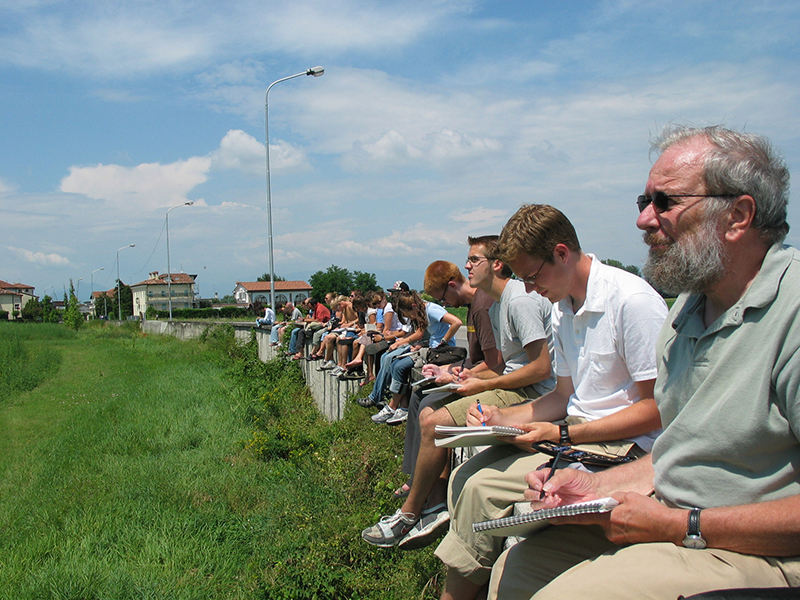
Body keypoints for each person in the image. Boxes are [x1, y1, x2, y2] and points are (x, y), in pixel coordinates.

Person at [487, 125, 800, 600]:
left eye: (666, 202)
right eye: (643, 202)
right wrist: (593, 487)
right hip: (676, 516)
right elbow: (676, 454)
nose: (643, 220)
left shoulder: (790, 313)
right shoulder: (688, 314)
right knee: (516, 569)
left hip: (760, 554)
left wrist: (681, 524)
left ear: (738, 215)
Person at [435, 205, 667, 600]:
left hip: (625, 445)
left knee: (482, 490)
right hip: (580, 431)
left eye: (531, 276)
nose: (528, 289)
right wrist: (501, 416)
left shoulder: (632, 302)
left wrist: (563, 432)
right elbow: (563, 395)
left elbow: (656, 410)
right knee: (466, 476)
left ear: (561, 253)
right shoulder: (562, 307)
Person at [361, 235, 556, 547]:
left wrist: (481, 383)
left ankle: (411, 512)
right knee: (428, 410)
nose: (467, 266)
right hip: (517, 385)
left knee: (431, 419)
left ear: (497, 264)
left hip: (533, 393)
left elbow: (540, 368)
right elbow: (502, 363)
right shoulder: (496, 306)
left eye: (474, 260)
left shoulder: (517, 302)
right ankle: (427, 501)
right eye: (468, 260)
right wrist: (463, 374)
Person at [393, 258, 503, 502]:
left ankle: (428, 485)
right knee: (418, 396)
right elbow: (477, 359)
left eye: (442, 297)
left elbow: (494, 362)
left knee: (426, 404)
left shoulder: (482, 307)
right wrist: (447, 368)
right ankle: (415, 474)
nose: (443, 304)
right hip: (470, 370)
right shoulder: (475, 306)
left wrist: (462, 373)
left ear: (452, 286)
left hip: (482, 378)